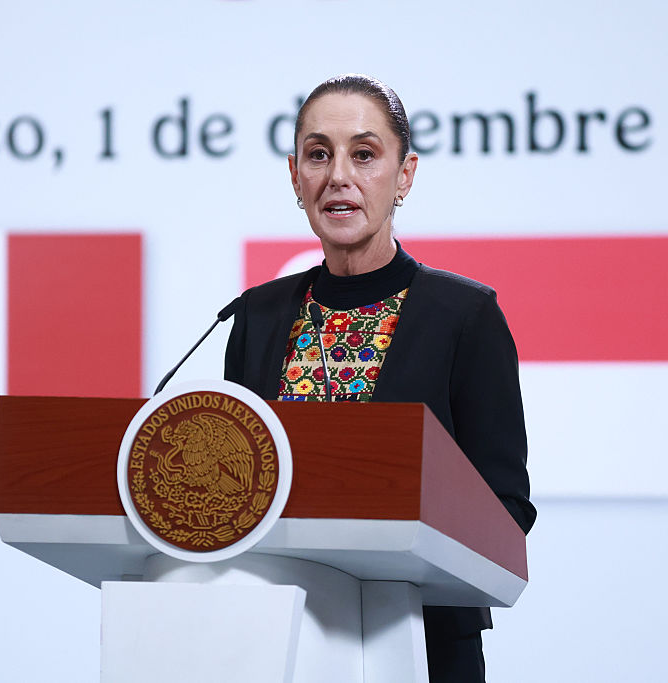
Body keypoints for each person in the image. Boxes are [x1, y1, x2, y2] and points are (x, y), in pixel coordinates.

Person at [224, 74, 536, 682]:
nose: (339, 175)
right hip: (278, 639)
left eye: (364, 154)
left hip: (422, 640)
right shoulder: (255, 317)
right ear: (295, 176)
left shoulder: (464, 316)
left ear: (405, 175)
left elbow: (506, 509)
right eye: (319, 154)